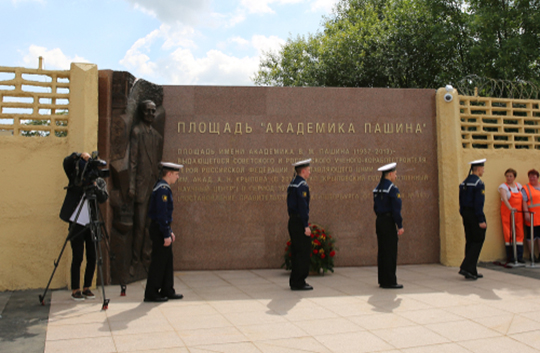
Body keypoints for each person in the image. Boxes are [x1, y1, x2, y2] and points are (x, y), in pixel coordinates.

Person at [59, 152, 107, 301]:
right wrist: (78, 156)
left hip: (91, 222)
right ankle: (75, 289)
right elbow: (66, 162)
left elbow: (103, 198)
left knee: (92, 256)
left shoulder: (97, 180)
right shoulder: (76, 175)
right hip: (77, 221)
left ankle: (87, 287)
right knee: (78, 256)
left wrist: (95, 186)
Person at [129, 100, 163, 276]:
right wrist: (132, 186)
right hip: (141, 187)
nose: (151, 114)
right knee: (140, 225)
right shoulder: (136, 132)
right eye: (148, 111)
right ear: (142, 113)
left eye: (153, 111)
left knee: (150, 226)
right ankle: (134, 262)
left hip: (153, 187)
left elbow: (156, 164)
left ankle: (147, 260)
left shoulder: (157, 137)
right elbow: (133, 161)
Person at [144, 162, 184, 302]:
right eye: (176, 174)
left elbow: (165, 215)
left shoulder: (163, 187)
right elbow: (161, 214)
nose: (177, 177)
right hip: (159, 229)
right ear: (169, 174)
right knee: (159, 262)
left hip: (162, 228)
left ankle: (167, 289)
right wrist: (166, 233)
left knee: (167, 260)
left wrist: (169, 231)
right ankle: (152, 292)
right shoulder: (162, 189)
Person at [373, 162, 404, 289]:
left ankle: (383, 279)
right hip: (388, 222)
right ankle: (390, 280)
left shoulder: (377, 188)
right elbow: (396, 209)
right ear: (390, 174)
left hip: (379, 221)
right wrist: (400, 225)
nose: (396, 176)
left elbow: (375, 207)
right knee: (390, 251)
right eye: (395, 174)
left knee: (382, 251)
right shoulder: (392, 189)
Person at [287, 159, 313, 291]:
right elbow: (303, 207)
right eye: (308, 170)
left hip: (292, 220)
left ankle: (294, 280)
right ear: (303, 171)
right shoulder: (302, 185)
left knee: (296, 251)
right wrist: (305, 225)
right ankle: (299, 281)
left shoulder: (292, 184)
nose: (309, 172)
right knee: (303, 251)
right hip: (299, 222)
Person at [459, 159, 487, 280]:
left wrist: (463, 213)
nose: (483, 170)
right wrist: (481, 219)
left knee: (470, 241)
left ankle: (472, 269)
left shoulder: (464, 182)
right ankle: (466, 267)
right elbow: (478, 204)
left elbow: (460, 200)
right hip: (475, 215)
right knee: (478, 240)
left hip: (466, 214)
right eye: (482, 168)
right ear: (478, 169)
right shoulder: (478, 183)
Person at [498, 168, 524, 264]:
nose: (508, 178)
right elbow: (504, 199)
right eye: (507, 176)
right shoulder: (503, 187)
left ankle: (519, 256)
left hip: (519, 214)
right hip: (507, 214)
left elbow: (523, 198)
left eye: (510, 176)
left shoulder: (519, 186)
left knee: (519, 233)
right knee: (508, 233)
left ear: (514, 177)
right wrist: (510, 208)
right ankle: (511, 257)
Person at [521, 169, 540, 262]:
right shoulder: (526, 188)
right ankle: (532, 255)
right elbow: (524, 201)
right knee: (531, 235)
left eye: (534, 176)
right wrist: (526, 213)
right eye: (530, 177)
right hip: (532, 215)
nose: (532, 178)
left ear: (537, 177)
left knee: (539, 235)